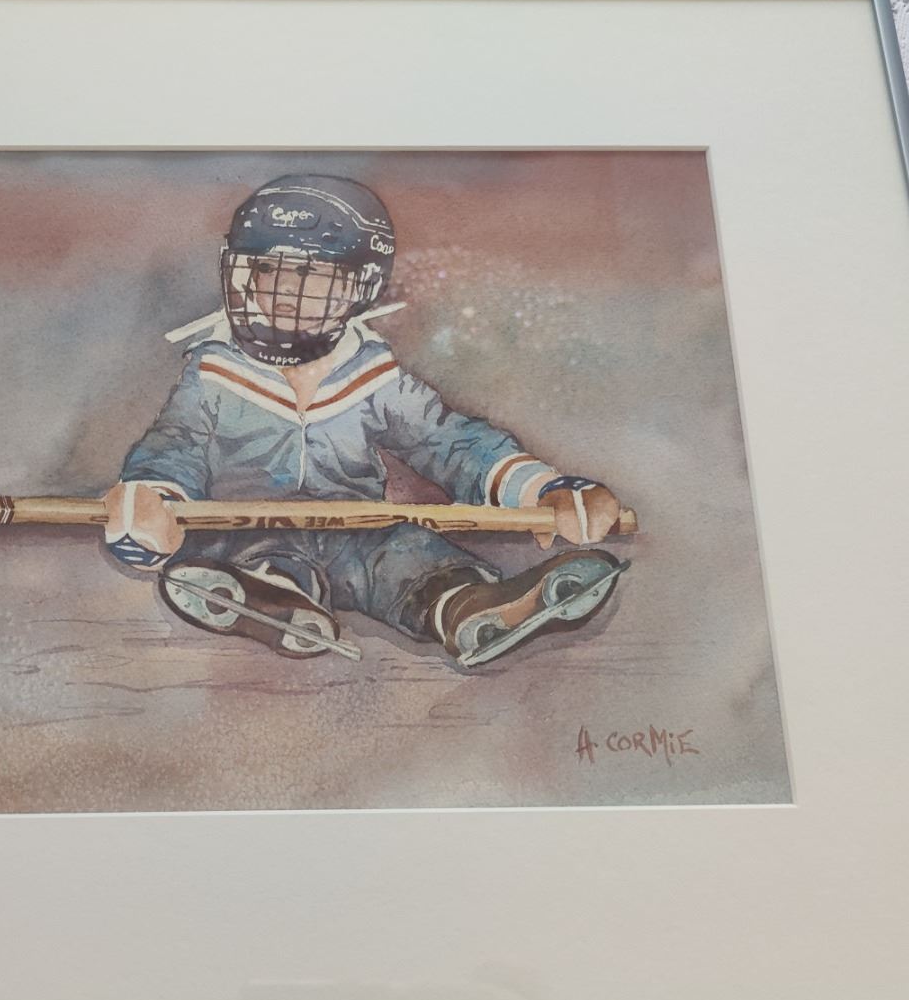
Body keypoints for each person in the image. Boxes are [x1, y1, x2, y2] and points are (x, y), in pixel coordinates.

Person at [101, 173, 626, 668]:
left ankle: (471, 608)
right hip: (247, 529)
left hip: (359, 530)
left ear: (360, 285)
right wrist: (151, 500)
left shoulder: (373, 374)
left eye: (310, 272)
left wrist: (541, 490)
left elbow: (449, 441)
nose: (285, 288)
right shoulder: (215, 372)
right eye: (268, 268)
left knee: (409, 553)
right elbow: (176, 446)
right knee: (261, 557)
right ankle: (269, 596)